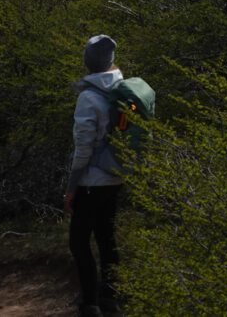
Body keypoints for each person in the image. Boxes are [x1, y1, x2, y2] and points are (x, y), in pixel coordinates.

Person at [65, 34, 123, 317]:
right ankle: (110, 298)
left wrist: (71, 187)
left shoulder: (88, 97)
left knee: (78, 241)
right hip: (116, 177)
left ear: (88, 61)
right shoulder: (123, 89)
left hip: (91, 182)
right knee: (107, 238)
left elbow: (83, 147)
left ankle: (90, 304)